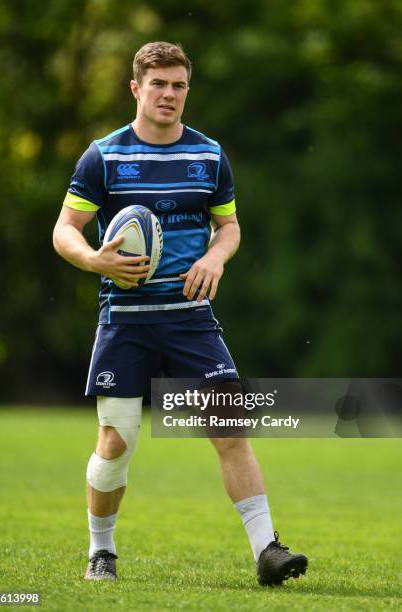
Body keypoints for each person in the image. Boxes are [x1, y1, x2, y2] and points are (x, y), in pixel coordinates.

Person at [53, 41, 307, 586]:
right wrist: (95, 259)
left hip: (191, 318)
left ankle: (268, 550)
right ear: (136, 88)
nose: (169, 94)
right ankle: (102, 551)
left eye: (179, 85)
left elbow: (229, 226)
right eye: (159, 84)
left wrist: (216, 255)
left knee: (229, 429)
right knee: (116, 439)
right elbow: (64, 230)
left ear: (187, 89)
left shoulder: (210, 156)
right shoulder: (104, 155)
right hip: (124, 318)